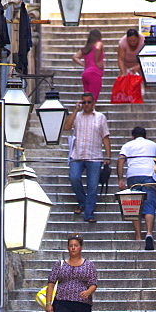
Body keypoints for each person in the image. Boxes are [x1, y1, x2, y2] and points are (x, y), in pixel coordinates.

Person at [45, 234, 97, 312]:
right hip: (62, 302)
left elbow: (93, 283)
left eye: (76, 245)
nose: (73, 248)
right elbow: (51, 284)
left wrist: (88, 292)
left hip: (82, 304)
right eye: (71, 246)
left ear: (81, 247)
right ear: (68, 248)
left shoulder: (89, 265)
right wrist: (48, 303)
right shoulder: (60, 264)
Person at [63, 92, 111, 223]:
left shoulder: (100, 117)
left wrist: (108, 156)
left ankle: (89, 214)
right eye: (84, 102)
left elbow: (105, 137)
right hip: (77, 154)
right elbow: (66, 127)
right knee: (74, 177)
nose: (86, 105)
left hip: (94, 156)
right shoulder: (77, 116)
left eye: (89, 102)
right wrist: (74, 111)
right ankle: (82, 202)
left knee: (93, 186)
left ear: (93, 102)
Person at [117, 126, 156, 250]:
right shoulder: (153, 145)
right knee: (149, 204)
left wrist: (120, 179)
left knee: (134, 205)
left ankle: (138, 236)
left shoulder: (128, 145)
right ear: (146, 136)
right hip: (149, 175)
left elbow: (120, 160)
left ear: (133, 136)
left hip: (133, 176)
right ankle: (149, 233)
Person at [72, 28, 105, 102]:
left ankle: (86, 112)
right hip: (95, 73)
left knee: (86, 98)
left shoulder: (86, 48)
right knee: (93, 98)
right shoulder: (98, 43)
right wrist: (97, 61)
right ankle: (91, 112)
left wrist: (85, 65)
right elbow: (98, 48)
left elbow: (74, 57)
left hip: (86, 73)